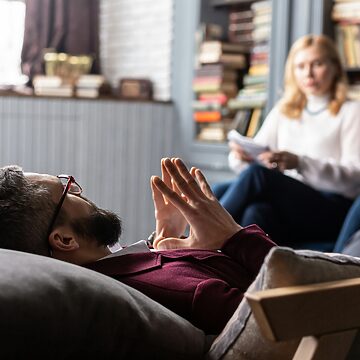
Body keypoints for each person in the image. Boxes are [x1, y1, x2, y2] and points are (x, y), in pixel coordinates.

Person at [0, 159, 276, 335]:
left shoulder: (120, 276)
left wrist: (163, 246)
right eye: (66, 190)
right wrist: (233, 236)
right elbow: (299, 309)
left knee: (260, 206)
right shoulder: (182, 288)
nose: (79, 191)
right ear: (64, 240)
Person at [213, 34, 360, 248]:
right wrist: (243, 156)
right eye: (300, 66)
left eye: (317, 64)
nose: (308, 73)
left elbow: (355, 177)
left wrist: (301, 163)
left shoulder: (351, 111)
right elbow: (255, 159)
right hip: (293, 207)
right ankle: (243, 276)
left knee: (257, 176)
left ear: (335, 67)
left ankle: (198, 242)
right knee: (249, 206)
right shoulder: (285, 110)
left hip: (332, 208)